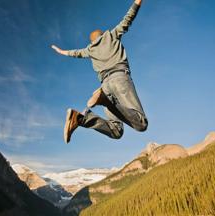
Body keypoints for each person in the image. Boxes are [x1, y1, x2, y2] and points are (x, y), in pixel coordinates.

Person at [51, 0, 148, 143]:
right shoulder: (111, 35)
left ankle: (81, 118)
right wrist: (137, 2)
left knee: (116, 131)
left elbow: (75, 53)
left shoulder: (90, 49)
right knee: (141, 124)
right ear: (103, 34)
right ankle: (105, 101)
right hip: (119, 79)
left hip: (105, 87)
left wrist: (61, 51)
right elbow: (128, 18)